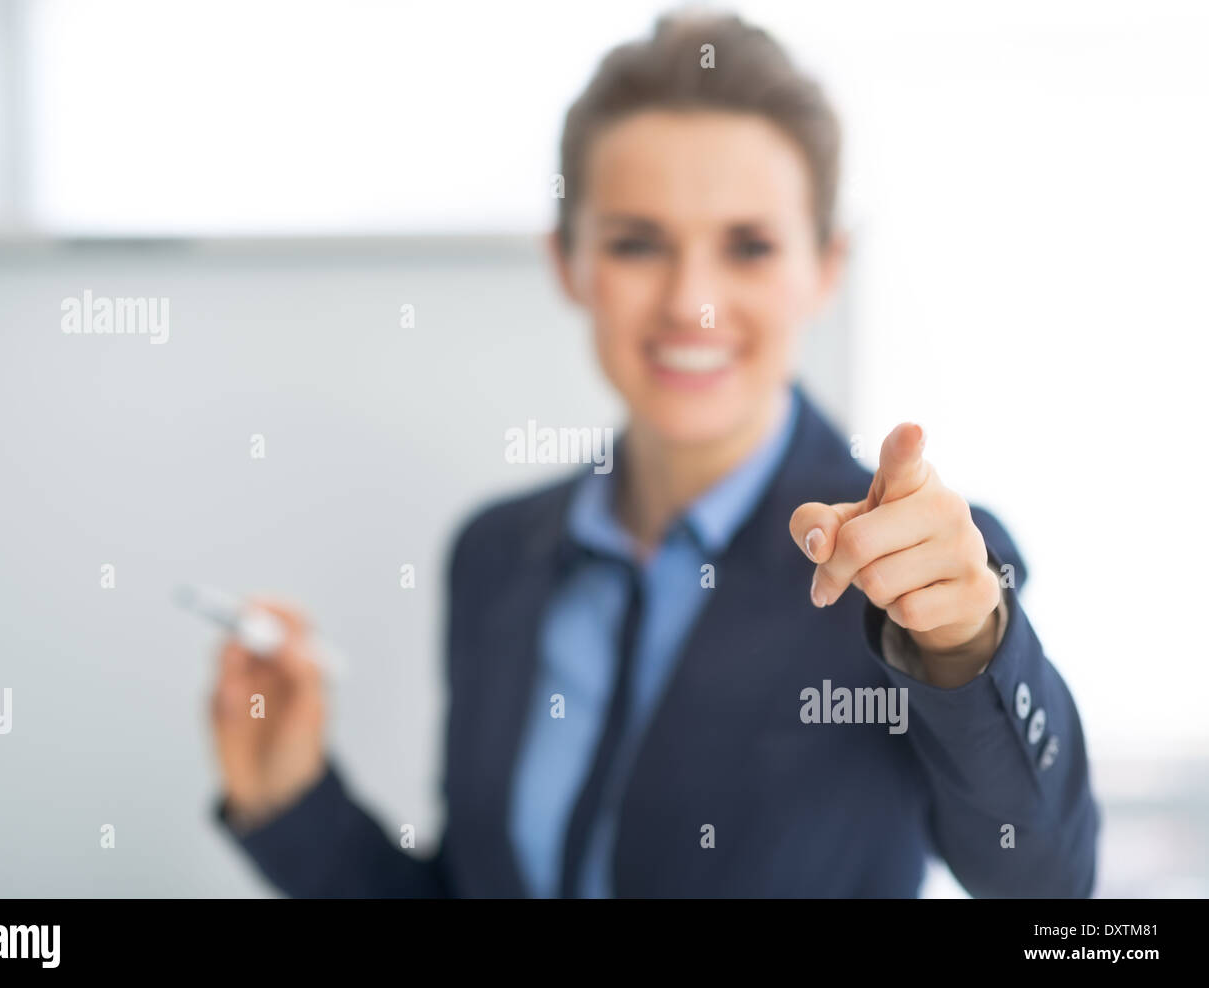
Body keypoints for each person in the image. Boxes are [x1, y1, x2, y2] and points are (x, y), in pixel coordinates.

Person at [208, 9, 1099, 897]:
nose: (694, 304)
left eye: (748, 247)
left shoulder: (916, 570)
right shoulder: (495, 556)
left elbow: (1050, 889)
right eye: (637, 243)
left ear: (826, 267)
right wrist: (291, 801)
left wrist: (966, 651)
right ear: (568, 262)